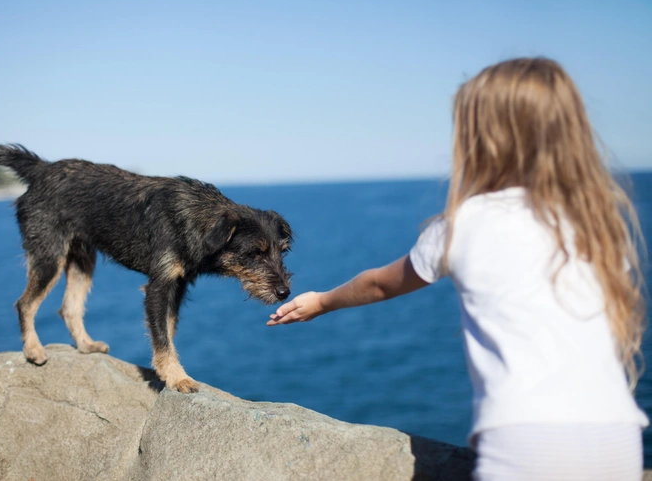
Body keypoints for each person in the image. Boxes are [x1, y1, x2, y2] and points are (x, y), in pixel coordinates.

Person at [267, 57, 648, 481]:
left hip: (525, 441)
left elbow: (378, 285)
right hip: (618, 436)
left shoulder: (469, 221)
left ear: (486, 140)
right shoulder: (599, 224)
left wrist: (321, 301)